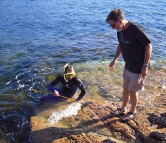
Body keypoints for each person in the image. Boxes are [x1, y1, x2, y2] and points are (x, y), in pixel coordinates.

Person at [106, 8, 152, 121]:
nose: (112, 28)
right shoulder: (119, 31)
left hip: (138, 66)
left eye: (113, 25)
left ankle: (132, 111)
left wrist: (145, 66)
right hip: (128, 65)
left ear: (120, 21)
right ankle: (123, 109)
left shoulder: (135, 29)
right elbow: (121, 46)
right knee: (125, 88)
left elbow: (148, 46)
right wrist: (114, 60)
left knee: (132, 90)